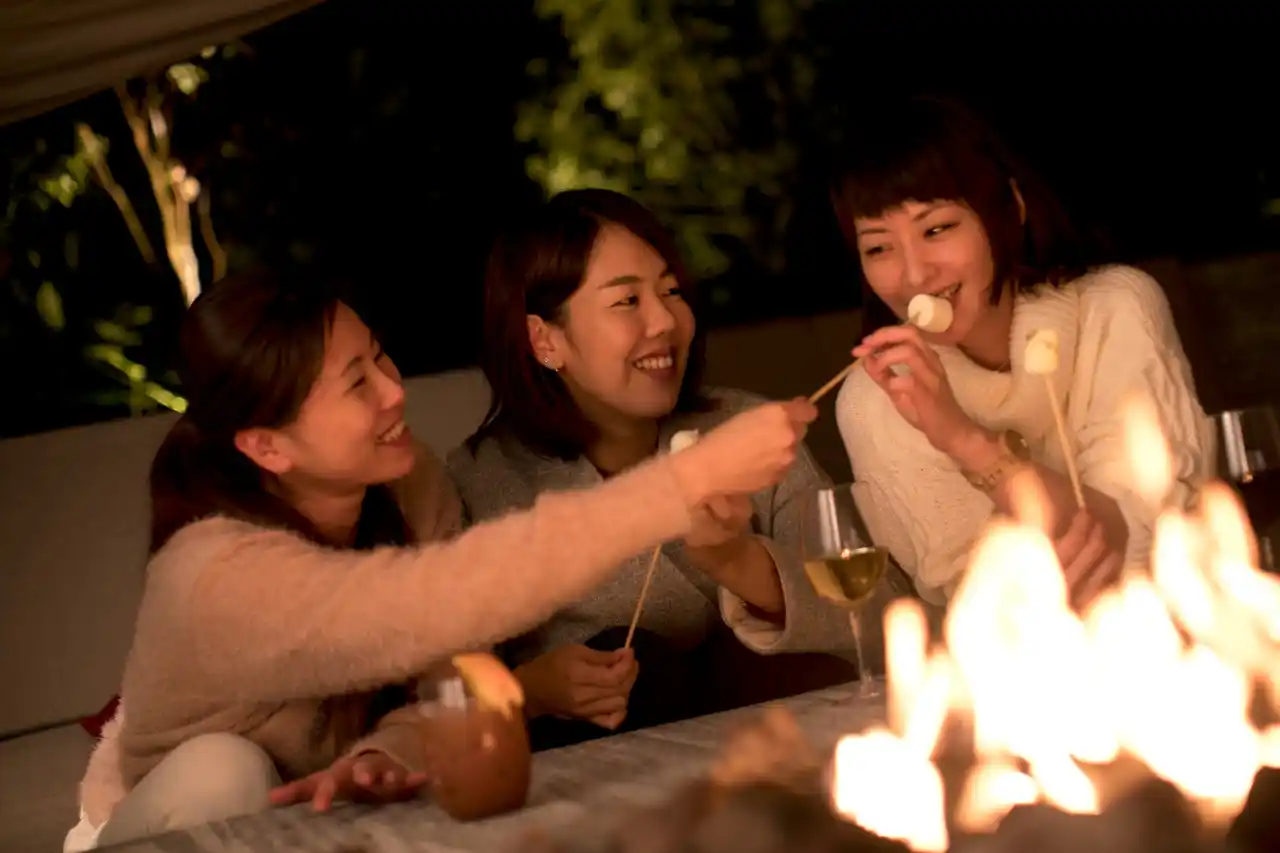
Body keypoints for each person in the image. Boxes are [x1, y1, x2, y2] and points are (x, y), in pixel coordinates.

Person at [67, 267, 815, 849]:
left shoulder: (411, 483)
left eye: (379, 355)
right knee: (225, 768)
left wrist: (384, 756)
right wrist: (682, 483)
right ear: (268, 446)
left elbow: (444, 687)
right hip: (171, 823)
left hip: (308, 814)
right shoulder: (211, 572)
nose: (394, 391)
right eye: (357, 384)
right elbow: (434, 600)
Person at [444, 189, 861, 751]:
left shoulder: (749, 433)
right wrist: (528, 691)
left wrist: (738, 562)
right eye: (626, 301)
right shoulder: (478, 484)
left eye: (671, 291)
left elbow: (867, 619)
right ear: (544, 340)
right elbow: (440, 701)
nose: (665, 320)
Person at [830, 94, 1214, 611]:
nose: (915, 274)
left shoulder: (1114, 309)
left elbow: (1141, 536)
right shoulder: (875, 396)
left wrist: (963, 439)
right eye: (879, 247)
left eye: (937, 229)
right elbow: (970, 595)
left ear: (1011, 208)